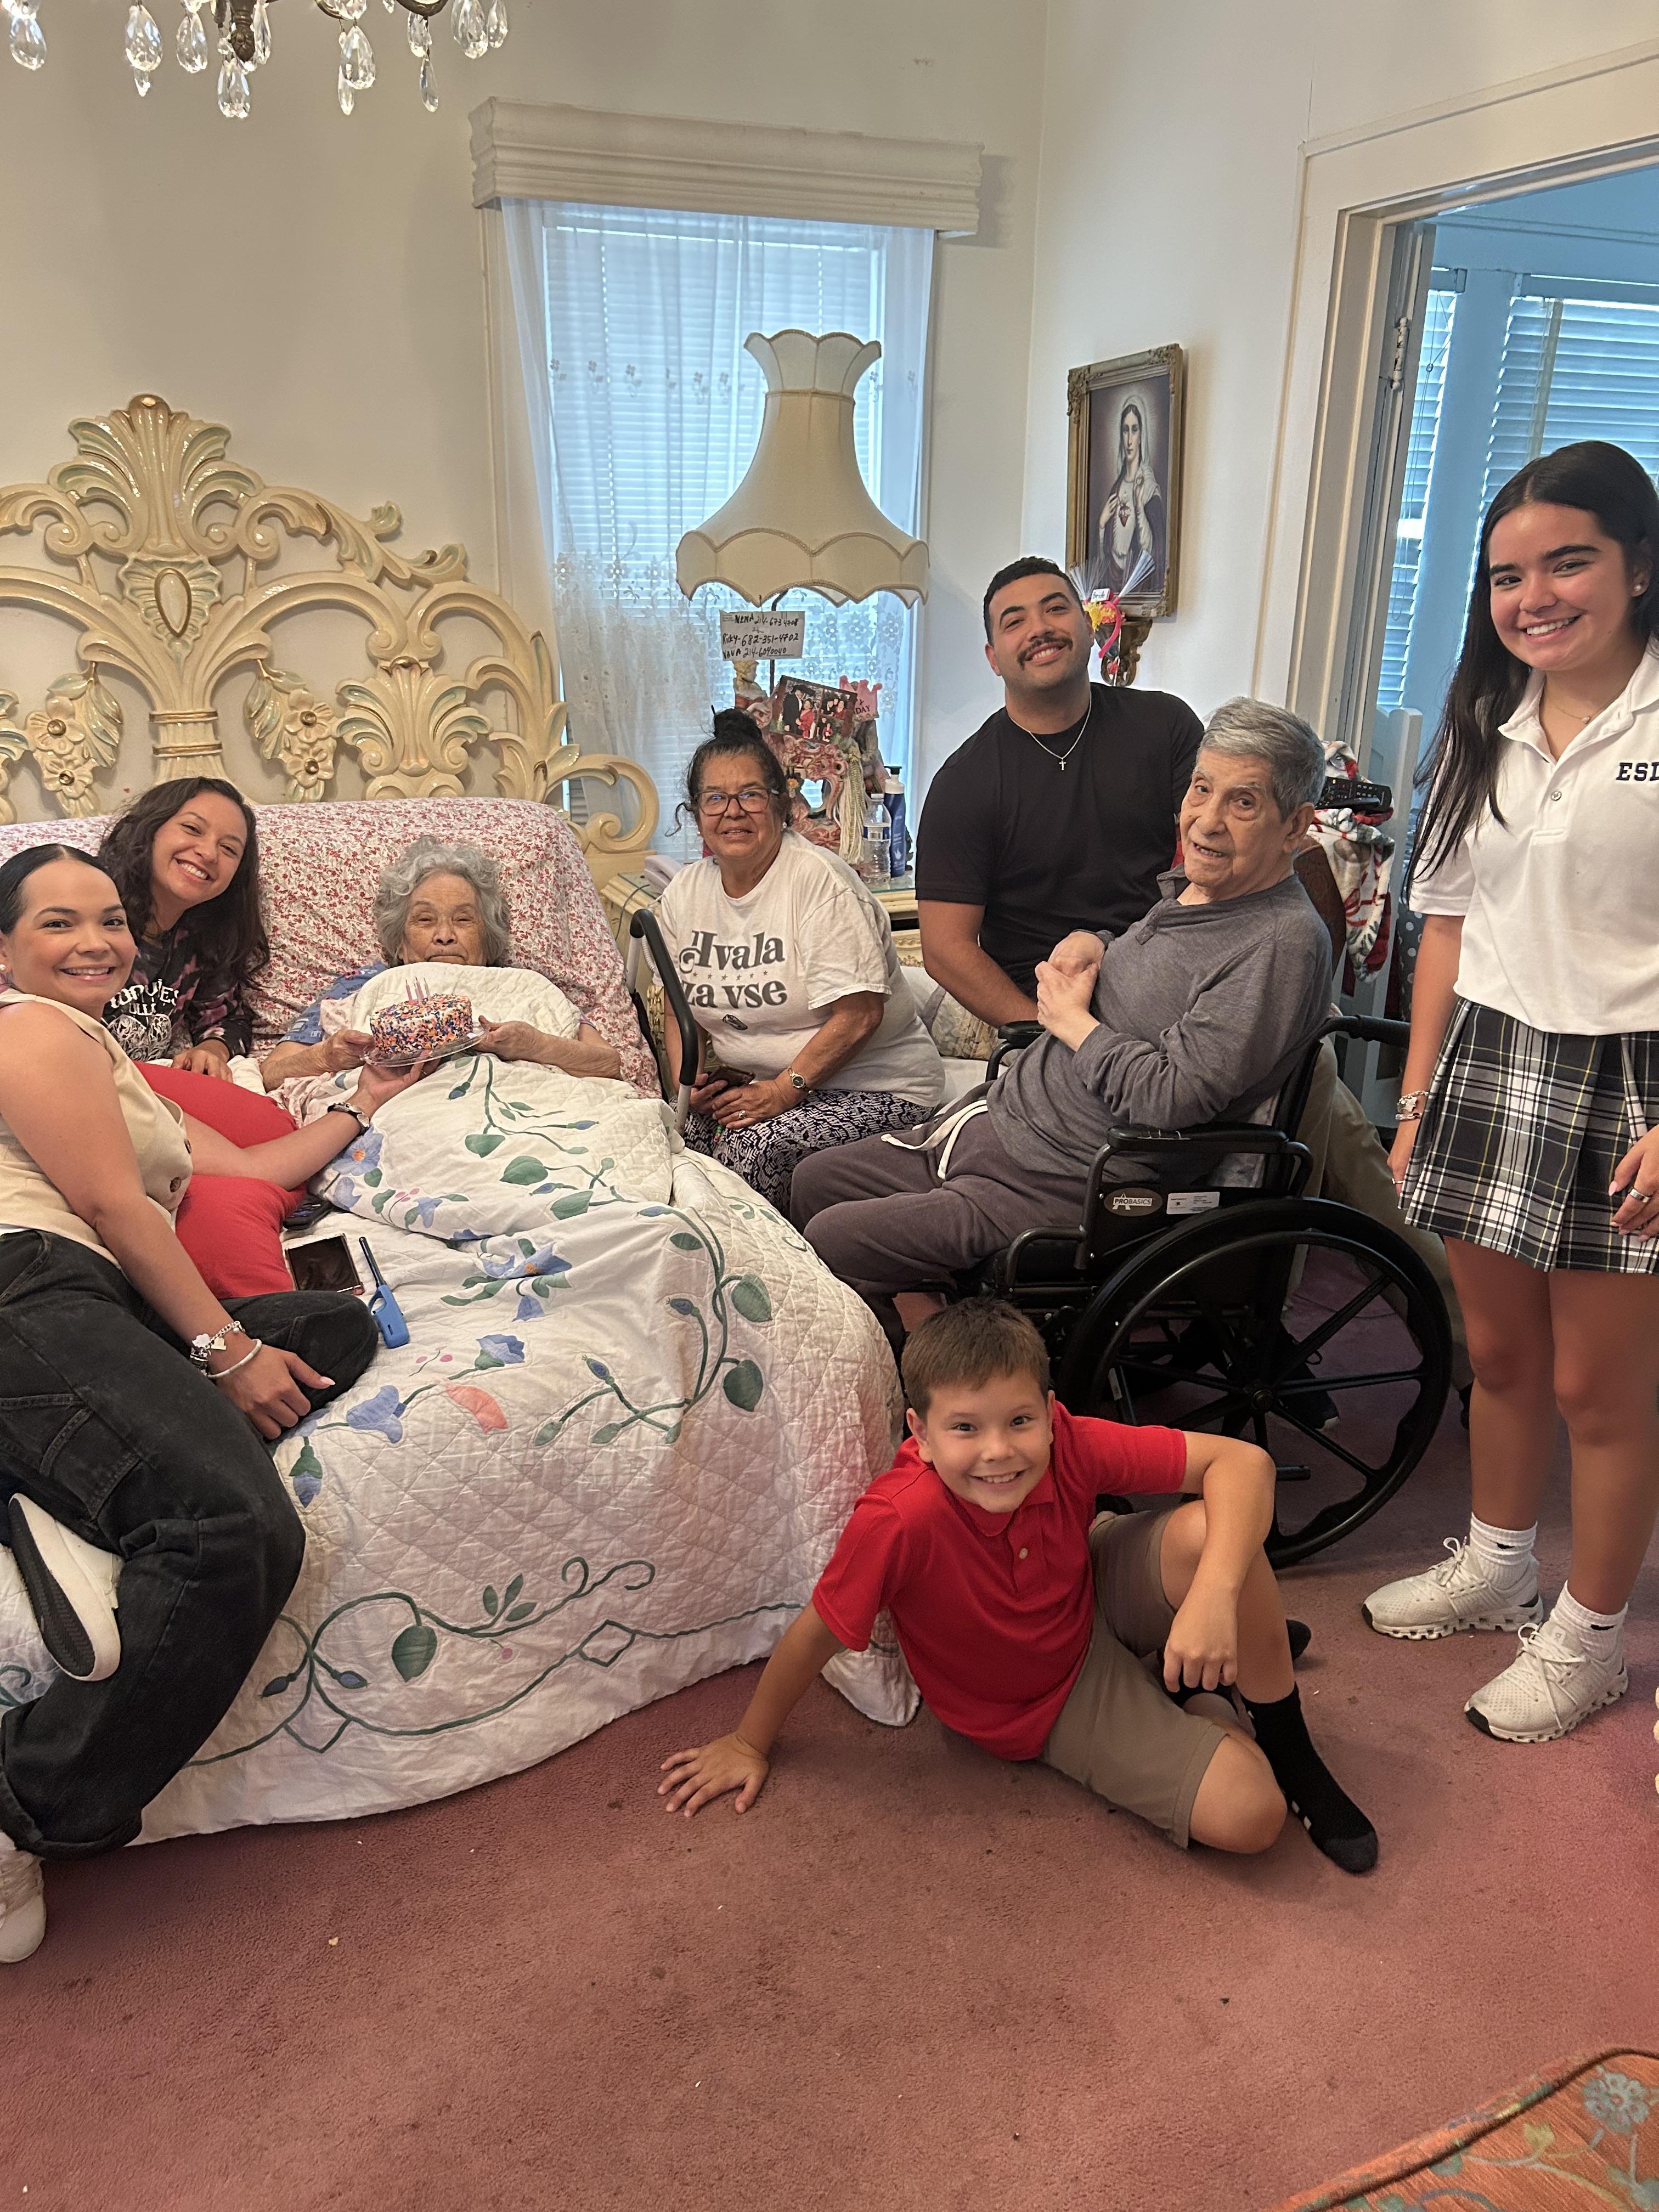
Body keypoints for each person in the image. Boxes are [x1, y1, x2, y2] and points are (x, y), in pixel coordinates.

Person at [0, 844, 426, 1963]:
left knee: (333, 1324)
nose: (94, 939)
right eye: (56, 923)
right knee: (228, 1527)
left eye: (106, 919)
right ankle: (26, 1805)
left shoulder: (109, 1059)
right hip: (23, 1289)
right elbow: (109, 1205)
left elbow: (252, 1164)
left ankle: (51, 1477)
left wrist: (364, 1100)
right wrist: (226, 1352)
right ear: (4, 950)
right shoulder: (27, 1029)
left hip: (85, 1300)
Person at [658, 1300, 1376, 1872]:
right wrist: (750, 1742)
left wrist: (1216, 1594)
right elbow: (816, 1631)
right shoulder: (898, 1519)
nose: (999, 1451)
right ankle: (1199, 1684)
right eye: (966, 1428)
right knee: (1253, 1818)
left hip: (1087, 1576)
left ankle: (1289, 1745)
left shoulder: (1068, 1439)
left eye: (1020, 1422)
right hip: (1045, 1698)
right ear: (922, 1432)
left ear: (1047, 1409)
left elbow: (1244, 1465)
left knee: (1216, 1541)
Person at [1364, 440, 1659, 1745]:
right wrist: (1416, 1096)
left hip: (1628, 1082)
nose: (1533, 597)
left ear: (1640, 567)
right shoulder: (1479, 727)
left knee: (1604, 1391)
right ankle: (1497, 1566)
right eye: (1506, 576)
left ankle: (1590, 1638)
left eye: (1568, 563)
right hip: (1488, 1057)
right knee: (1499, 1353)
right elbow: (1443, 927)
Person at [793, 700, 1332, 1334]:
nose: (1206, 822)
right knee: (812, 1183)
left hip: (1070, 1177)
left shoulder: (1279, 943)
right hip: (1002, 1120)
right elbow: (1156, 982)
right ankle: (936, 1314)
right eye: (1201, 790)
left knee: (835, 1236)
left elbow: (1174, 1096)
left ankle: (948, 1353)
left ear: (1296, 827)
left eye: (1243, 804)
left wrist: (1072, 1021)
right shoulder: (1203, 891)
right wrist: (1094, 942)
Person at [652, 714, 945, 1214]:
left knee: (751, 1151)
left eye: (751, 795)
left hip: (876, 1086)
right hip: (768, 1083)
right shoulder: (685, 893)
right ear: (696, 814)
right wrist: (691, 1082)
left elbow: (860, 1015)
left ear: (782, 806)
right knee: (670, 1144)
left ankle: (764, 1284)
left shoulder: (818, 883)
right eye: (715, 799)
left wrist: (783, 1093)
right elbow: (681, 1014)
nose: (733, 812)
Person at [914, 557, 1204, 1027]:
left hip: (1172, 982)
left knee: (1310, 1070)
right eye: (1015, 622)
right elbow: (946, 951)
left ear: (1090, 629)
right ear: (993, 658)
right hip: (1048, 1009)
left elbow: (1219, 855)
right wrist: (1044, 1036)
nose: (1040, 629)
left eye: (1056, 609)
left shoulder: (1165, 727)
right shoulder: (964, 784)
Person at [258, 835, 623, 1093]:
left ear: (489, 936)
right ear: (399, 941)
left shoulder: (524, 985)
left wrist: (536, 1046)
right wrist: (328, 1055)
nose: (445, 935)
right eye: (425, 920)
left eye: (463, 920)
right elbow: (272, 1072)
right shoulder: (362, 986)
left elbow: (608, 1064)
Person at [95, 777, 269, 1077]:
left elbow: (227, 1019)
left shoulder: (200, 939)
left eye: (229, 849)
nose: (209, 853)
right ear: (149, 830)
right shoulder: (91, 915)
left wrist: (211, 1050)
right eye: (192, 829)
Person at [1095, 397, 1165, 600]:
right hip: (1113, 580)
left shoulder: (1149, 488)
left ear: (1142, 436)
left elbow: (1151, 550)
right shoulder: (1116, 488)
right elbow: (1105, 555)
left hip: (1137, 582)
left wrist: (1139, 509)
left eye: (1135, 430)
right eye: (1125, 430)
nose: (1129, 440)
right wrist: (1101, 526)